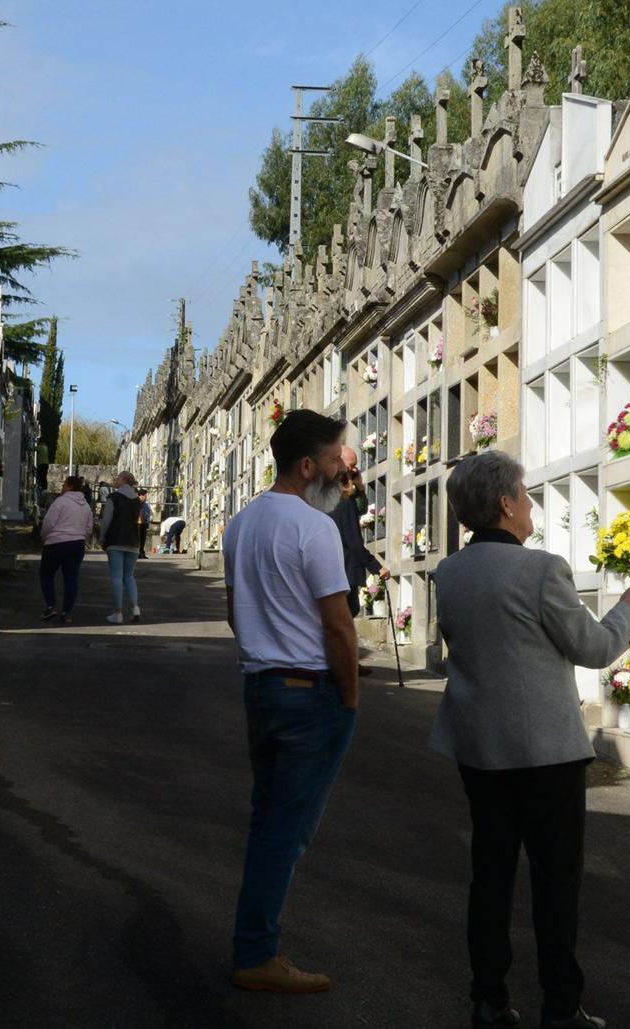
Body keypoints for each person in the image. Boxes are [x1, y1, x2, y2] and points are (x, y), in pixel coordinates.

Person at [429, 450, 630, 1029]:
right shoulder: (540, 569)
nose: (532, 502)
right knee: (555, 883)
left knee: (489, 876)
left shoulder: (449, 572)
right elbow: (591, 649)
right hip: (545, 754)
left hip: (478, 747)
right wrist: (627, 607)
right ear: (505, 503)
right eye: (525, 492)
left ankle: (487, 998)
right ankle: (560, 1007)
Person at [223, 409, 358, 995]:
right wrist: (349, 698)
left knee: (268, 821)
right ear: (308, 466)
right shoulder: (314, 527)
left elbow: (236, 611)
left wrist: (268, 647)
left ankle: (255, 945)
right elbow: (338, 627)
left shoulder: (241, 523)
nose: (340, 471)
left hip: (261, 685)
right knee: (288, 829)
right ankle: (256, 953)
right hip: (309, 693)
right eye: (334, 460)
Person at [326, 445, 381, 617]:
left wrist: (360, 489)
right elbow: (354, 541)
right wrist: (377, 567)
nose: (355, 469)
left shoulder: (335, 495)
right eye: (351, 465)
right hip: (343, 571)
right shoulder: (340, 501)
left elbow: (360, 510)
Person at [37, 475, 94, 622]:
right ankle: (66, 612)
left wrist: (44, 537)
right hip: (77, 544)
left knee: (47, 575)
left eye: (63, 485)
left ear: (69, 486)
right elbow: (89, 528)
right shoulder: (86, 505)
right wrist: (82, 537)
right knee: (71, 579)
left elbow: (49, 523)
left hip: (56, 543)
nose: (62, 488)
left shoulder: (60, 502)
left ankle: (51, 606)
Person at [97, 471, 145, 623]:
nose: (115, 479)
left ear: (123, 480)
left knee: (116, 577)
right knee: (129, 576)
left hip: (116, 541)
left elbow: (106, 521)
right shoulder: (138, 501)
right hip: (133, 542)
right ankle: (135, 608)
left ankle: (118, 613)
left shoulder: (114, 498)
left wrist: (102, 537)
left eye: (118, 477)